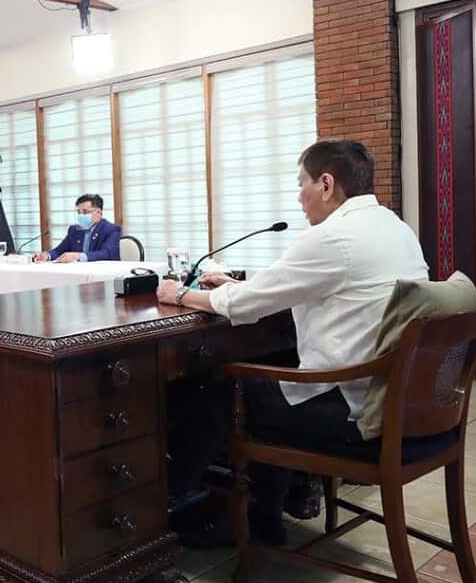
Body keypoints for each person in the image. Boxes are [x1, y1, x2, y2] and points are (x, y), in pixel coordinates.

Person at [157, 139, 429, 547]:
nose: (299, 197)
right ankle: (263, 511)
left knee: (216, 387)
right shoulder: (394, 226)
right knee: (274, 365)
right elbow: (318, 286)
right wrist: (239, 286)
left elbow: (241, 305)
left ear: (326, 183)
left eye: (301, 184)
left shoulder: (334, 236)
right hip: (399, 398)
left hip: (351, 407)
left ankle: (172, 508)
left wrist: (177, 295)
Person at [33, 194, 121, 263]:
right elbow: (59, 250)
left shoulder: (111, 229)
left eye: (85, 212)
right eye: (79, 212)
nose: (81, 215)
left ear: (99, 212)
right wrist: (47, 255)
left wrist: (78, 256)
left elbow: (106, 253)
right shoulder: (74, 230)